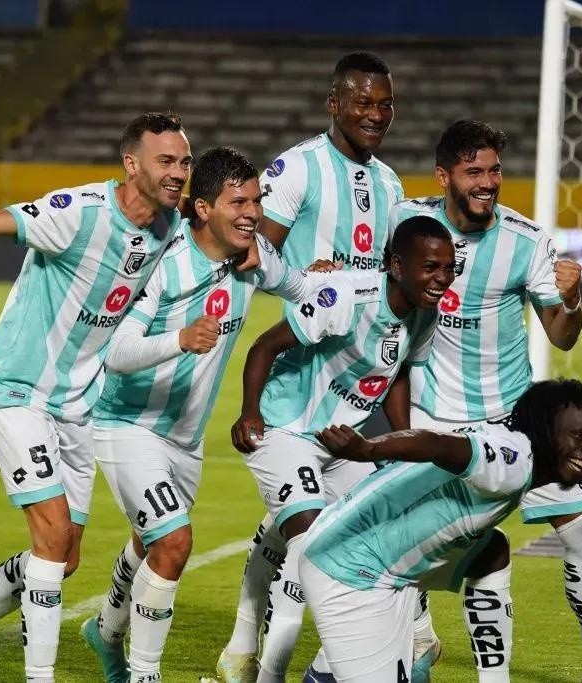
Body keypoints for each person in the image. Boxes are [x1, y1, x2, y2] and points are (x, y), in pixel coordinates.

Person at [0, 112, 192, 683]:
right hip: (18, 388)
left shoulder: (168, 227)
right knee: (50, 536)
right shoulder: (81, 213)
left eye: (184, 162)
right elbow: (5, 220)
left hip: (76, 403)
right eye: (166, 161)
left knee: (64, 557)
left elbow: (224, 233)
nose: (178, 172)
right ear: (131, 164)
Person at [80, 146, 339, 683]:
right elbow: (117, 351)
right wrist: (179, 339)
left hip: (184, 437)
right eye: (238, 202)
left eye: (256, 200)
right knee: (174, 542)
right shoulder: (163, 261)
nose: (252, 212)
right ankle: (143, 673)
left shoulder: (252, 257)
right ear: (202, 208)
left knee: (150, 540)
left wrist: (321, 277)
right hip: (126, 424)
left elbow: (296, 285)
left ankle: (105, 628)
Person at [301, 378, 582, 682]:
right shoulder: (508, 460)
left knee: (491, 547)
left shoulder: (534, 453)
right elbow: (439, 444)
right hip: (353, 572)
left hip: (380, 566)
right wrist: (366, 448)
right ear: (547, 430)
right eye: (578, 437)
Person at [390, 119, 582, 683]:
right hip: (435, 418)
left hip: (517, 422)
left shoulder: (526, 240)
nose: (488, 181)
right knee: (406, 544)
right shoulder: (404, 223)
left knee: (581, 527)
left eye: (494, 169)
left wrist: (571, 300)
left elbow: (562, 335)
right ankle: (418, 640)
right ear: (444, 176)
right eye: (474, 171)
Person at [217, 50, 405, 683]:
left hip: (349, 399)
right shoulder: (297, 168)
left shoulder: (391, 186)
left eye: (384, 104)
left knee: (308, 532)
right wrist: (304, 284)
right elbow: (251, 250)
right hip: (287, 387)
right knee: (313, 538)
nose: (376, 115)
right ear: (335, 104)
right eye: (364, 102)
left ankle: (251, 648)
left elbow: (392, 277)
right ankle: (269, 658)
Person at [227, 216, 455, 683]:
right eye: (430, 267)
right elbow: (264, 347)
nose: (442, 279)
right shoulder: (347, 296)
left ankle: (333, 663)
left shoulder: (425, 310)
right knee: (314, 545)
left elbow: (400, 369)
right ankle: (269, 674)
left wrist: (399, 443)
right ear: (396, 265)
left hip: (341, 443)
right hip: (285, 431)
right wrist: (250, 411)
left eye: (448, 268)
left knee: (385, 532)